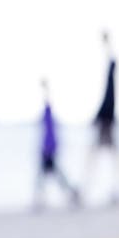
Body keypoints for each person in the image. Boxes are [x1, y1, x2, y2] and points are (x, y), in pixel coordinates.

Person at [85, 30, 119, 203]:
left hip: (107, 121)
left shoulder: (111, 76)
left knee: (100, 155)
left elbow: (108, 98)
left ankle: (112, 188)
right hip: (107, 119)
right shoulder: (111, 77)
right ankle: (98, 187)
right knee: (104, 155)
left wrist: (98, 116)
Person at [34, 79, 79, 209]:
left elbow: (50, 135)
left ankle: (41, 199)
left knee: (48, 177)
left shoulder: (48, 114)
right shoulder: (49, 116)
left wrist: (45, 89)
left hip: (48, 150)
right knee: (52, 176)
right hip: (49, 149)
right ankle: (69, 194)